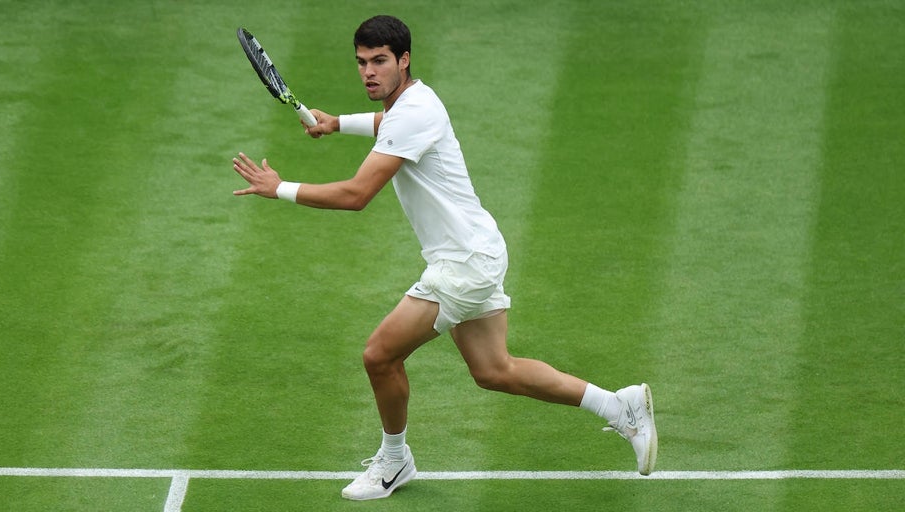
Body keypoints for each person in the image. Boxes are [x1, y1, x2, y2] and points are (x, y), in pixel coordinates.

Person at [232, 14, 657, 501]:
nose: (368, 72)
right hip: (479, 250)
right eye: (361, 62)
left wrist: (279, 188)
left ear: (404, 60)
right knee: (494, 370)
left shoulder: (411, 114)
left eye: (379, 61)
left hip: (462, 264)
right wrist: (336, 123)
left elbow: (356, 195)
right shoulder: (416, 101)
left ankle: (394, 461)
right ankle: (618, 406)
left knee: (379, 355)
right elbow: (387, 123)